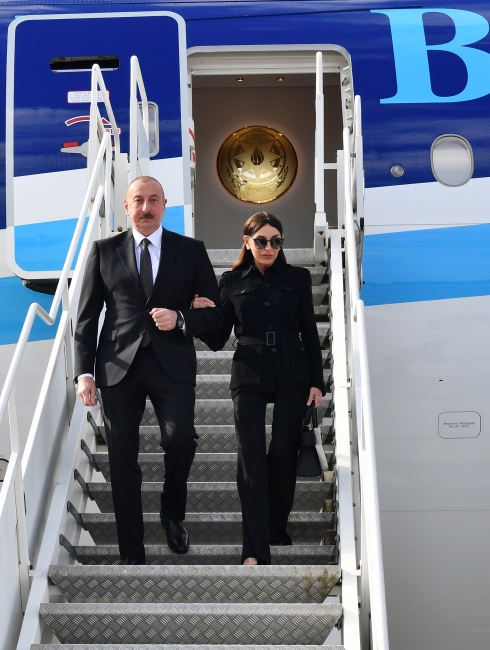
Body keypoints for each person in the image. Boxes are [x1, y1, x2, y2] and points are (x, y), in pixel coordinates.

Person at [74, 176, 222, 565]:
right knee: (122, 459)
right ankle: (132, 551)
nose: (145, 208)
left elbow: (217, 317)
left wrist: (182, 318)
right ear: (126, 207)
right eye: (138, 200)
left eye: (154, 200)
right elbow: (86, 318)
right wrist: (84, 373)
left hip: (171, 363)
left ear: (165, 205)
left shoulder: (190, 251)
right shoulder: (103, 251)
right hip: (117, 366)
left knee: (181, 439)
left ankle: (172, 514)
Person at [195, 212, 324, 565]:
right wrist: (199, 314)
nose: (270, 247)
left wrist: (317, 382)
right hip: (249, 372)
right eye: (262, 241)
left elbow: (309, 331)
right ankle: (253, 549)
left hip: (292, 370)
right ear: (247, 242)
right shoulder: (230, 282)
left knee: (283, 451)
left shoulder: (297, 278)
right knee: (251, 458)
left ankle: (275, 528)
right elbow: (217, 339)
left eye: (276, 241)